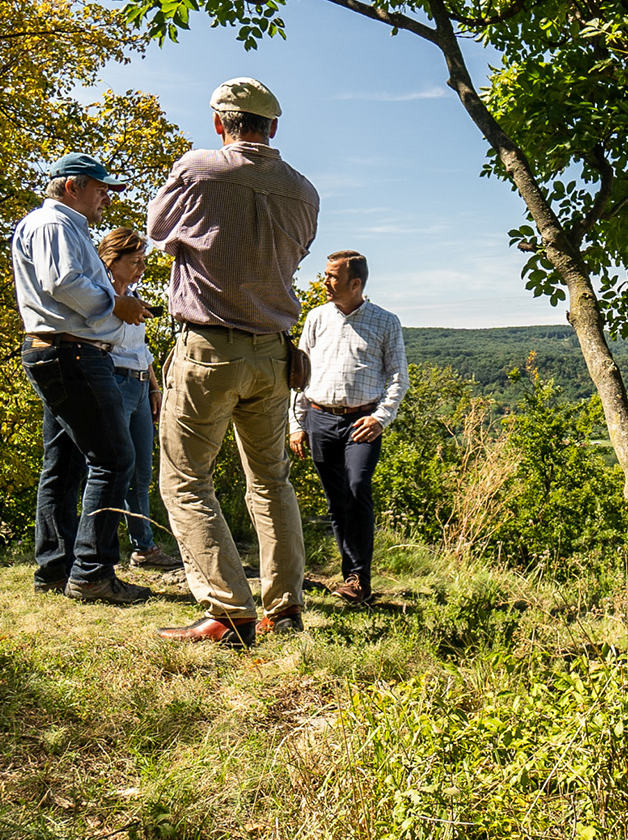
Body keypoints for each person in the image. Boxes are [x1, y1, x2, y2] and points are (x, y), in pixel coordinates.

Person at [147, 78, 320, 648]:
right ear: (273, 128)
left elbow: (156, 233)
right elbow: (294, 254)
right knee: (271, 481)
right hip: (274, 351)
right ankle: (286, 607)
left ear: (221, 122)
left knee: (186, 479)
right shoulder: (304, 191)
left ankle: (228, 611)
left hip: (209, 347)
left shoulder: (200, 169)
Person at [11, 153, 154, 606]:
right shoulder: (57, 224)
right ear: (73, 186)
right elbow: (64, 281)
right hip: (70, 352)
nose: (107, 198)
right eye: (101, 188)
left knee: (66, 464)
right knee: (114, 459)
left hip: (58, 350)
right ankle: (91, 573)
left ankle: (56, 568)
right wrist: (117, 305)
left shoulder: (61, 225)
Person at [288, 250, 407, 605]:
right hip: (319, 417)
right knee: (337, 501)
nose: (324, 282)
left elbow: (399, 378)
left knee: (357, 487)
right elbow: (299, 376)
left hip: (362, 421)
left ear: (355, 283)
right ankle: (349, 578)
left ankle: (359, 578)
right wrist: (297, 423)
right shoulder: (316, 318)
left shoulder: (386, 322)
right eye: (325, 275)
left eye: (331, 277)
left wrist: (380, 417)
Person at [94, 227, 182, 571]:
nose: (141, 267)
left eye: (144, 260)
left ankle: (144, 547)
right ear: (110, 261)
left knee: (141, 471)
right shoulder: (99, 296)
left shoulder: (133, 296)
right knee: (110, 467)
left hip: (140, 384)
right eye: (135, 261)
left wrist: (155, 387)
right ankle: (100, 548)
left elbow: (140, 349)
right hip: (112, 380)